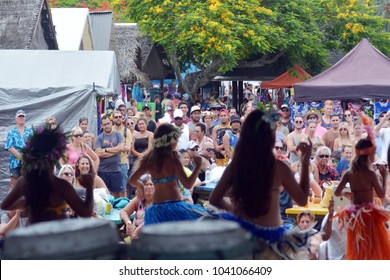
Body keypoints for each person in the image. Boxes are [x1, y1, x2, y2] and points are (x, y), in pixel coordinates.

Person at [209, 109, 313, 259]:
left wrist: (234, 211)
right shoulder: (278, 167)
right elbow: (303, 200)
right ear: (267, 137)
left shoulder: (236, 166)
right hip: (269, 241)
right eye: (274, 131)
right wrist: (305, 160)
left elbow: (214, 199)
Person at [1, 126, 94, 224]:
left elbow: (5, 205)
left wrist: (26, 202)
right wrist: (89, 187)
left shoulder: (25, 181)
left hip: (35, 233)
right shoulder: (61, 185)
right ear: (54, 159)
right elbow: (86, 213)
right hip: (56, 235)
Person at [129, 123, 207, 225]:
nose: (177, 144)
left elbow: (132, 180)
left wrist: (140, 186)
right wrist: (198, 166)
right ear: (169, 142)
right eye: (176, 141)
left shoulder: (149, 159)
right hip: (175, 206)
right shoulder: (173, 158)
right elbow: (188, 184)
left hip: (157, 208)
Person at [334, 137, 390, 259]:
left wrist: (346, 194)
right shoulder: (371, 174)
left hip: (355, 215)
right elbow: (381, 195)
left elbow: (337, 192)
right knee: (372, 248)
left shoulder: (349, 173)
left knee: (357, 248)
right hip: (369, 216)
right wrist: (384, 177)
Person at [95, 115, 126, 198]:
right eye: (104, 124)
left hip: (116, 170)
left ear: (111, 123)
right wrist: (115, 151)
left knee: (117, 195)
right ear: (101, 125)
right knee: (104, 195)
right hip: (103, 171)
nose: (107, 126)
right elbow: (98, 153)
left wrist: (105, 150)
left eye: (108, 123)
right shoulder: (99, 138)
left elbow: (121, 148)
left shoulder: (118, 135)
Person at [120, 174, 155, 241]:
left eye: (151, 184)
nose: (149, 187)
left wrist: (136, 232)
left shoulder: (159, 201)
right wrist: (128, 223)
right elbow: (123, 211)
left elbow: (150, 220)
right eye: (146, 185)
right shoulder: (138, 200)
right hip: (136, 238)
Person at [4, 110, 33, 189]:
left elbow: (33, 146)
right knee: (14, 182)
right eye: (19, 117)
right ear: (16, 118)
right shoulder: (12, 132)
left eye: (22, 117)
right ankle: (11, 201)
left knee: (28, 183)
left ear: (25, 118)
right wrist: (21, 157)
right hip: (15, 162)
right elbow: (9, 146)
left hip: (28, 163)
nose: (21, 118)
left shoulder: (30, 132)